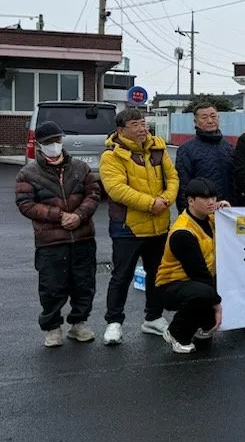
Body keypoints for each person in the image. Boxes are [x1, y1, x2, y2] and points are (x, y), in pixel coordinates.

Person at [15, 121, 101, 347]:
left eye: (57, 140)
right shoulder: (28, 173)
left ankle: (79, 323)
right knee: (51, 286)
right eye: (49, 142)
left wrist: (79, 215)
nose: (54, 145)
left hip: (82, 237)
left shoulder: (80, 167)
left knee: (84, 283)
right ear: (39, 145)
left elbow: (93, 194)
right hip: (50, 241)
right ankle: (52, 327)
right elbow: (25, 204)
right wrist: (59, 215)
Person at [100, 108, 179, 346]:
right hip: (128, 227)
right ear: (121, 130)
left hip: (159, 225)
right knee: (121, 275)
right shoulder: (112, 155)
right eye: (135, 125)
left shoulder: (158, 148)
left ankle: (153, 317)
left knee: (158, 274)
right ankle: (114, 322)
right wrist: (150, 203)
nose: (142, 129)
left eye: (143, 123)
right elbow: (116, 189)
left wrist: (166, 199)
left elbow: (173, 178)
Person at [156, 178, 229, 354]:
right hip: (171, 285)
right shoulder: (183, 232)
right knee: (205, 294)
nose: (211, 202)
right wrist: (217, 304)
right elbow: (199, 274)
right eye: (205, 198)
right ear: (190, 201)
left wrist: (228, 211)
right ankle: (176, 333)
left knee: (210, 300)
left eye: (213, 197)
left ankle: (202, 323)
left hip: (197, 282)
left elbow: (240, 229)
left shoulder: (210, 218)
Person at [176, 101, 236, 212]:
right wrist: (186, 213)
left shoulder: (228, 146)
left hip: (228, 210)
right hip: (202, 212)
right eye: (204, 117)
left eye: (213, 116)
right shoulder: (186, 150)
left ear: (218, 118)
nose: (210, 121)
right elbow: (183, 187)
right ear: (195, 122)